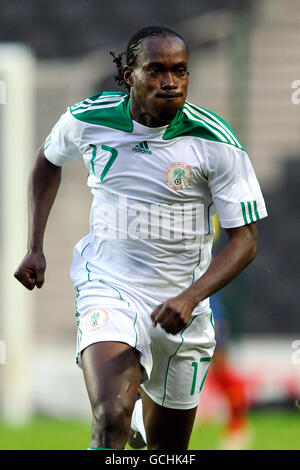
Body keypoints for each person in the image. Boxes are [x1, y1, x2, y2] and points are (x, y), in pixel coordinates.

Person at [14, 26, 267, 450]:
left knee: (165, 452)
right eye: (155, 70)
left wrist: (190, 297)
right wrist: (35, 245)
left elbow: (246, 241)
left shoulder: (216, 142)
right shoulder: (87, 119)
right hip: (109, 287)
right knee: (111, 417)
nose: (169, 82)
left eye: (179, 71)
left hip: (184, 307)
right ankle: (116, 424)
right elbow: (47, 161)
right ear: (128, 74)